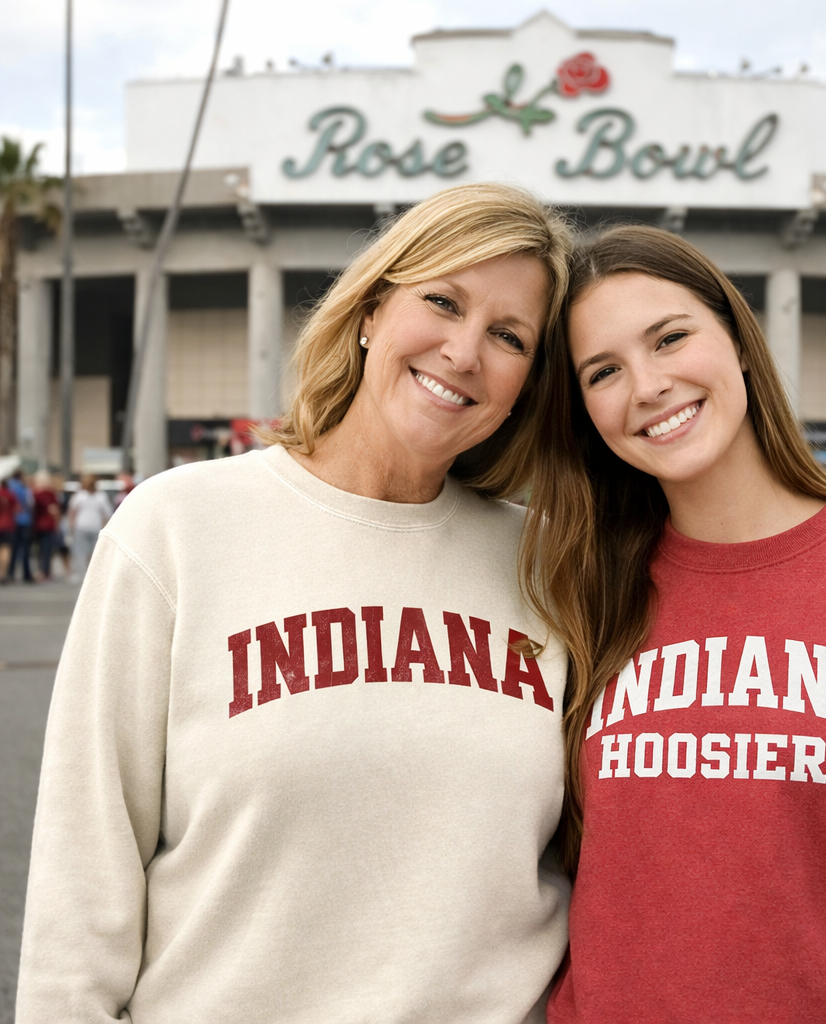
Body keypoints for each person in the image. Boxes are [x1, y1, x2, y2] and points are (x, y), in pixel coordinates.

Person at [18, 183, 573, 1024]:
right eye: (442, 301)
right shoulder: (177, 526)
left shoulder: (547, 566)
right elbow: (82, 868)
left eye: (508, 336)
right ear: (370, 309)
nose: (464, 352)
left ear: (528, 383)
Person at [523, 226, 826, 1022]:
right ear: (585, 411)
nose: (648, 385)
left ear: (741, 342)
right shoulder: (576, 591)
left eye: (671, 338)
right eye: (604, 371)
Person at [66, 475, 113, 583]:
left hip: (85, 527)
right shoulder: (99, 496)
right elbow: (106, 513)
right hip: (89, 526)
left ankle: (83, 575)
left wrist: (71, 527)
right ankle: (88, 575)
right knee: (90, 553)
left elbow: (72, 512)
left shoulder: (81, 496)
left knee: (83, 552)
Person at [5, 467, 34, 582]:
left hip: (11, 522)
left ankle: (10, 573)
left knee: (12, 549)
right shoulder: (23, 488)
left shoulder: (9, 486)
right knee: (25, 549)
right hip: (24, 520)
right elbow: (29, 503)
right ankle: (26, 574)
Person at [32, 471, 62, 581]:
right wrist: (57, 525)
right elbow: (54, 510)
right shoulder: (50, 494)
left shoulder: (34, 494)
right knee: (47, 551)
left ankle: (40, 571)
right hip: (48, 526)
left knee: (38, 551)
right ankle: (46, 572)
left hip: (37, 525)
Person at [0, 476, 16, 580]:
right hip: (8, 525)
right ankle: (3, 574)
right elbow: (18, 509)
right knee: (6, 550)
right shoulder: (11, 495)